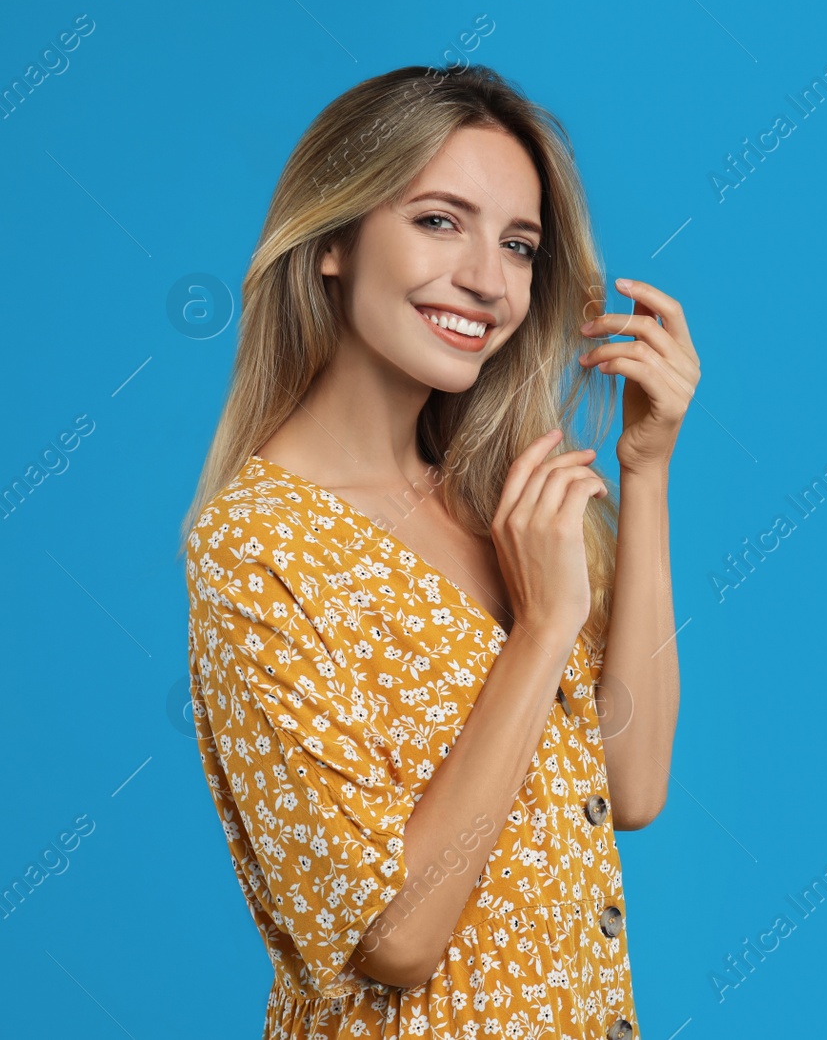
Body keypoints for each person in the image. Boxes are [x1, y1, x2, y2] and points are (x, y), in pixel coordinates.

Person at [178, 62, 697, 1038]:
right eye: (438, 221)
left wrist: (648, 468)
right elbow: (393, 935)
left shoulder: (498, 498)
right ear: (334, 238)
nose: (485, 280)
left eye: (518, 243)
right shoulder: (258, 546)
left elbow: (630, 783)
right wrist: (541, 629)